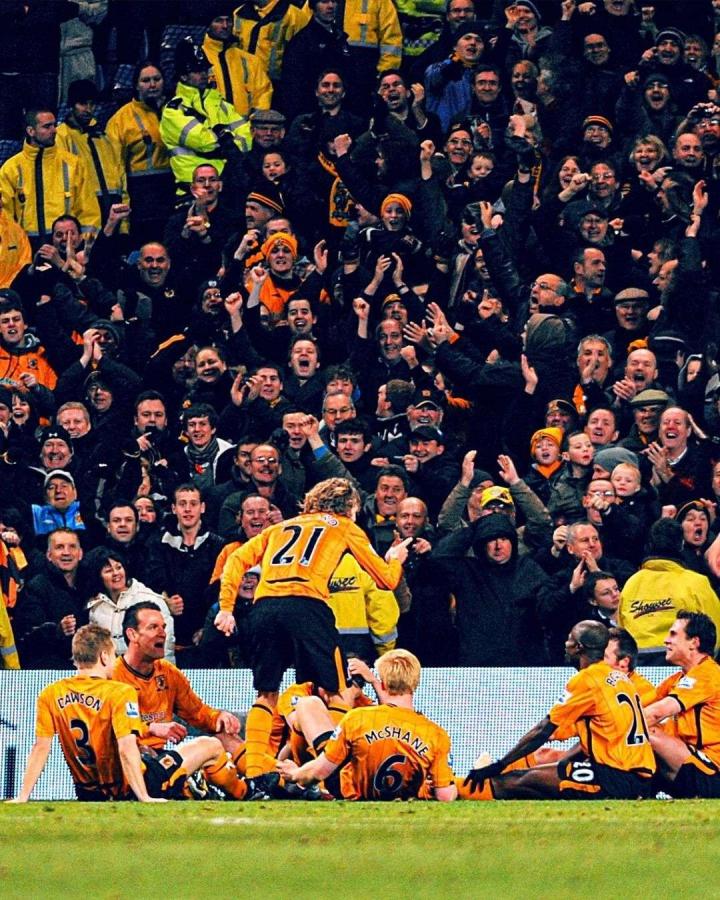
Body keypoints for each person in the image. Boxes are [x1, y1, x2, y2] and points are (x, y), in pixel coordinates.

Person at [216, 476, 411, 776]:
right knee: (336, 690)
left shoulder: (280, 528)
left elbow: (235, 560)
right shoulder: (343, 526)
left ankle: (254, 773)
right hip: (308, 606)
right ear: (349, 506)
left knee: (266, 693)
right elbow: (386, 580)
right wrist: (395, 558)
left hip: (264, 608)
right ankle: (336, 772)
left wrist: (227, 607)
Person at [462, 620, 656, 800]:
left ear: (579, 647)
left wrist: (499, 765)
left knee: (516, 781)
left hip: (614, 778)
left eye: (570, 639)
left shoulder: (587, 680)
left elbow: (543, 729)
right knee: (537, 777)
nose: (565, 644)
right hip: (639, 778)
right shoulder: (621, 679)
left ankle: (452, 788)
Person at [114, 602, 276, 800]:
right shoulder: (113, 676)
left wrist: (218, 717)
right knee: (208, 745)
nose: (162, 634)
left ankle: (269, 782)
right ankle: (239, 789)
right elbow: (105, 730)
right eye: (153, 627)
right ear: (132, 634)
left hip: (163, 759)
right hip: (130, 764)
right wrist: (150, 728)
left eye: (163, 627)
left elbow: (197, 712)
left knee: (223, 736)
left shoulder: (168, 673)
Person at [277, 648, 456, 801]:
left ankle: (305, 786)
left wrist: (295, 774)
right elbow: (445, 796)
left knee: (308, 704)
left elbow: (321, 770)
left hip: (345, 788)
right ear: (415, 684)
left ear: (383, 684)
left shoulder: (358, 717)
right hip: (404, 793)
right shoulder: (436, 734)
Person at [644, 611, 720, 798]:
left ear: (694, 642)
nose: (666, 641)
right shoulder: (677, 679)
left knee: (647, 732)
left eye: (673, 634)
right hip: (689, 763)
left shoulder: (708, 674)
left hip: (711, 769)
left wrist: (614, 731)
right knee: (640, 730)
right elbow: (638, 707)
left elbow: (655, 713)